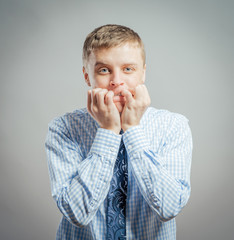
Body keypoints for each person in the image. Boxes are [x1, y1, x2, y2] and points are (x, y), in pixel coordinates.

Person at [45, 24, 192, 240]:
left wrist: (132, 130)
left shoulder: (173, 126)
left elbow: (169, 208)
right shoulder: (63, 129)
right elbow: (77, 213)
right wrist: (108, 131)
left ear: (143, 73)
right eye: (104, 70)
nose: (116, 81)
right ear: (87, 76)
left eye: (128, 69)